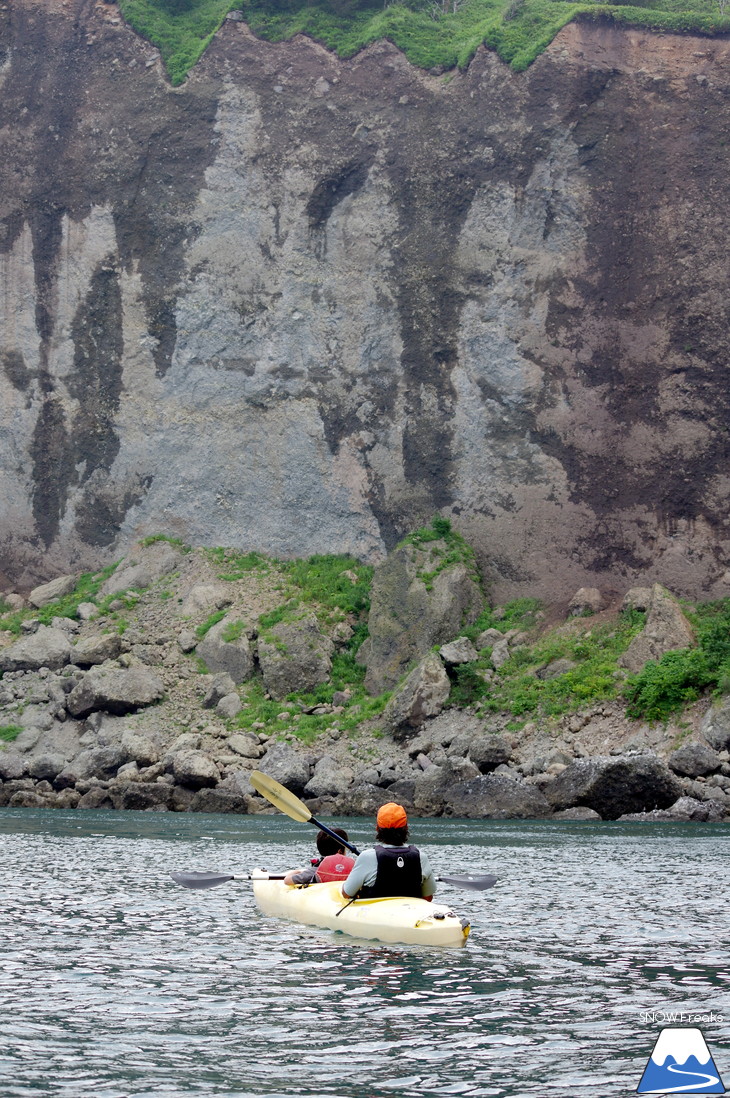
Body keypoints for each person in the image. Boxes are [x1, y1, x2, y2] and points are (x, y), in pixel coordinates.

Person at [341, 802, 436, 901]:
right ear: (406, 828)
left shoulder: (367, 857)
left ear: (377, 828)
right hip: (410, 913)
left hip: (376, 913)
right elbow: (428, 897)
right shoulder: (421, 857)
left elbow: (346, 893)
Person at [284, 828, 355, 886]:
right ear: (340, 851)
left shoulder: (316, 870)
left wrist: (297, 871)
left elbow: (287, 881)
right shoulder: (354, 871)